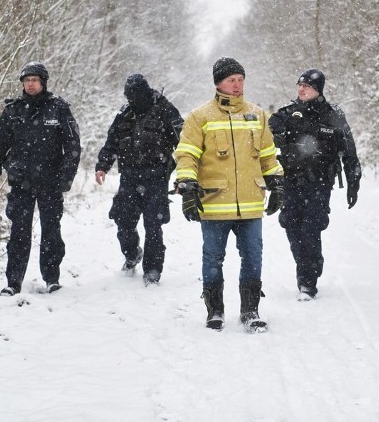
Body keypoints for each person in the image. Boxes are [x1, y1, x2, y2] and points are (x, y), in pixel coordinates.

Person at [174, 57, 284, 332]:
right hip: (213, 202)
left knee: (253, 257)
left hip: (250, 203)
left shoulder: (257, 115)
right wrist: (187, 185)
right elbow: (187, 154)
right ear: (218, 83)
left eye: (240, 79)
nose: (237, 85)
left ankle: (250, 311)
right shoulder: (200, 117)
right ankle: (215, 311)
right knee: (212, 258)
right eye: (231, 80)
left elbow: (268, 155)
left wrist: (277, 183)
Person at [0, 62, 82, 296]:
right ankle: (13, 282)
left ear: (43, 82)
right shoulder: (13, 111)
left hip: (51, 182)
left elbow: (73, 146)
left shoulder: (58, 109)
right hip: (21, 182)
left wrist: (66, 177)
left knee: (51, 232)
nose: (30, 84)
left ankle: (51, 279)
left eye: (35, 80)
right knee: (19, 233)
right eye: (26, 80)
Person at [268, 69, 361, 301]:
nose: (301, 89)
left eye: (307, 86)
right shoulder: (288, 113)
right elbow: (263, 136)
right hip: (291, 180)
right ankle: (310, 262)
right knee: (290, 225)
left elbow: (349, 151)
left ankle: (307, 283)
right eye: (299, 85)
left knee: (311, 229)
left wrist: (353, 182)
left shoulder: (334, 115)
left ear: (318, 89)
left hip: (319, 183)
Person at [94, 74, 183, 286]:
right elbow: (112, 141)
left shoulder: (164, 110)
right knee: (123, 220)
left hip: (157, 177)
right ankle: (132, 254)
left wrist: (184, 174)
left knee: (153, 224)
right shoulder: (124, 114)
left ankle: (152, 269)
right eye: (129, 96)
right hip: (130, 177)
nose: (132, 100)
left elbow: (185, 142)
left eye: (136, 95)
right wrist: (102, 166)